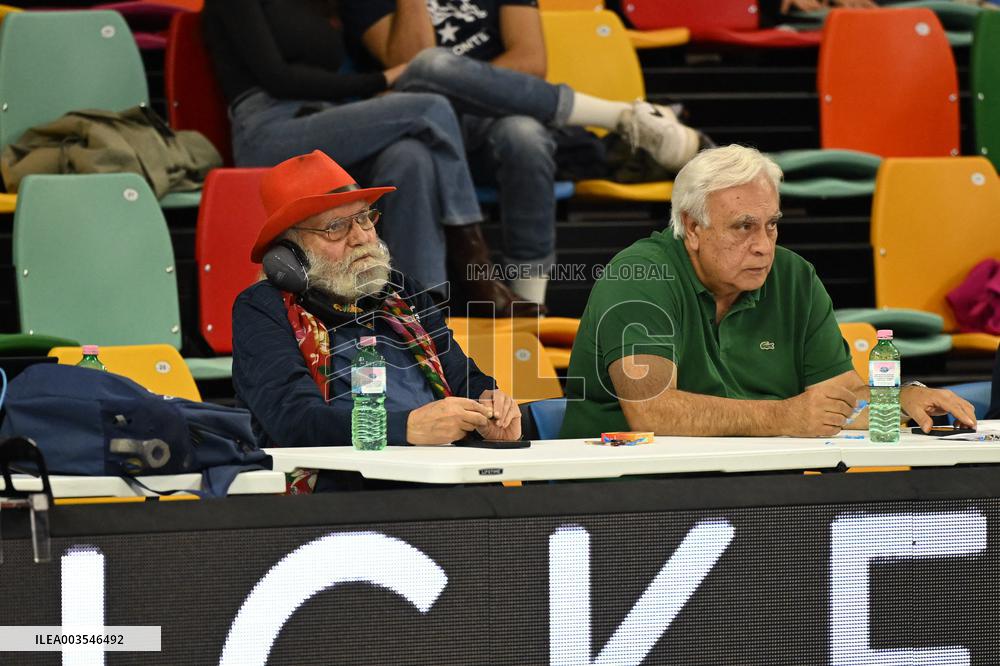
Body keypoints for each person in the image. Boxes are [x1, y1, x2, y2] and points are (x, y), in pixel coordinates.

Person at [560, 144, 977, 439]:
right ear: (692, 227)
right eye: (744, 226)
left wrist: (902, 398)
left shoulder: (794, 277)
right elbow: (652, 411)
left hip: (749, 487)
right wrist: (784, 416)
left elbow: (842, 395)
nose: (763, 245)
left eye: (772, 224)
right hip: (624, 494)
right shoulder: (640, 275)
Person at [341, 0, 704, 307]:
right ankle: (623, 117)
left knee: (525, 135)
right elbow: (411, 66)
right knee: (433, 67)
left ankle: (530, 302)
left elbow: (531, 61)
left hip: (491, 122)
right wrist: (473, 82)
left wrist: (468, 85)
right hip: (416, 123)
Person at [202, 0, 536, 315]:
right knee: (431, 107)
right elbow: (278, 78)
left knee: (410, 156)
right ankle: (474, 268)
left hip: (326, 116)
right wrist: (382, 80)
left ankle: (420, 306)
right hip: (267, 127)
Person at [232, 151, 521, 490]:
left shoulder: (403, 291)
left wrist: (490, 405)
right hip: (345, 496)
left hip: (444, 478)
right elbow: (294, 421)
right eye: (335, 227)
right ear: (290, 252)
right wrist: (405, 428)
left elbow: (462, 377)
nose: (361, 237)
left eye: (364, 218)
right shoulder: (263, 307)